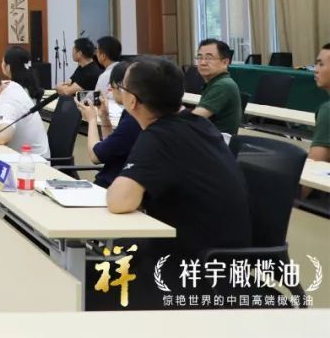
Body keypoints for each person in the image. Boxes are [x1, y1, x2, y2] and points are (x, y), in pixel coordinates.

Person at [106, 57, 251, 258]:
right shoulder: (199, 124)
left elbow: (119, 201)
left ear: (132, 101)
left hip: (193, 260)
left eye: (122, 86)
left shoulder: (159, 137)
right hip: (223, 250)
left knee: (96, 263)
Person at [74, 61, 141, 188]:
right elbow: (111, 148)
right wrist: (104, 117)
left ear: (122, 87)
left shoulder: (132, 120)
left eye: (112, 86)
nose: (109, 88)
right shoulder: (130, 113)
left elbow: (95, 156)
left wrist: (92, 120)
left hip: (112, 187)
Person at [191, 38, 242, 136]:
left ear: (225, 62)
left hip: (216, 142)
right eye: (199, 57)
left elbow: (194, 118)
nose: (202, 63)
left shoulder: (223, 85)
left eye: (209, 58)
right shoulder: (215, 82)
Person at [309, 42, 330, 164]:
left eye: (321, 64)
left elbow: (314, 166)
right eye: (316, 64)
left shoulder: (328, 111)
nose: (315, 70)